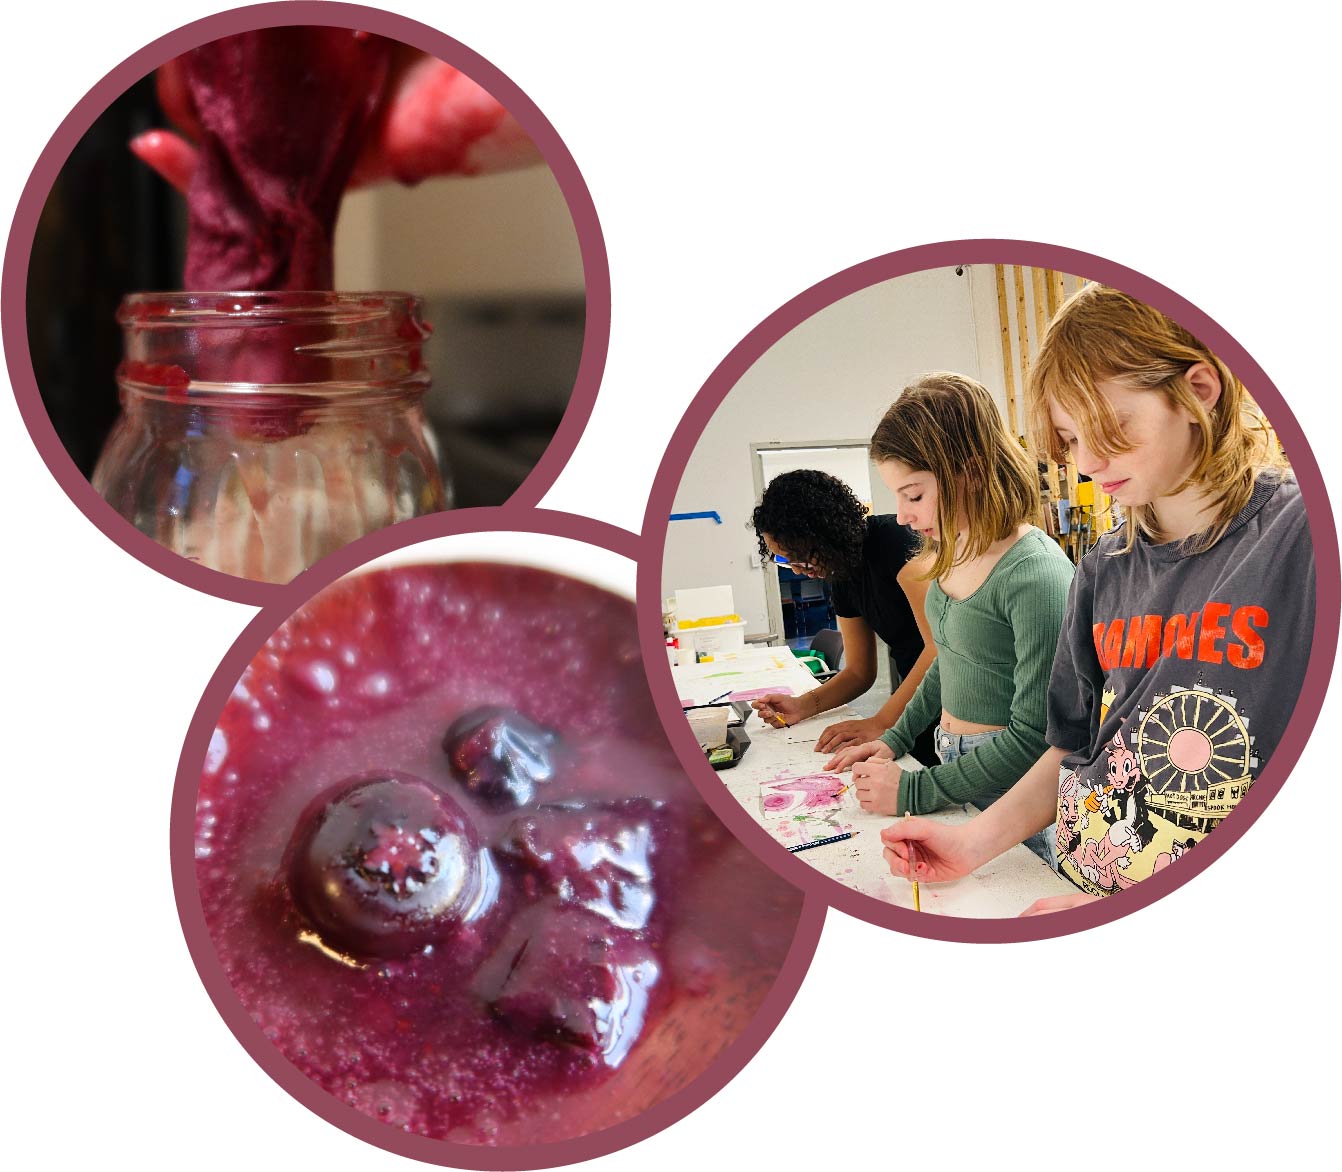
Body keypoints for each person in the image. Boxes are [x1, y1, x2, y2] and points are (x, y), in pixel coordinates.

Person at [880, 284, 1313, 914]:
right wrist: (971, 843)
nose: (1089, 463)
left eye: (1111, 428)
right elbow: (1069, 746)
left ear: (1198, 390)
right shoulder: (1104, 566)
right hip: (1072, 877)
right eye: (1070, 440)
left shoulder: (1298, 536)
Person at [823, 373, 1074, 863]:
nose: (901, 516)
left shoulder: (1035, 575)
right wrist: (892, 740)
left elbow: (1034, 739)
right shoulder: (952, 553)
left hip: (1016, 787)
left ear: (971, 472)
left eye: (913, 495)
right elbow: (951, 658)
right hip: (957, 764)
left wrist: (916, 791)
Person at [748, 469, 938, 764]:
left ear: (823, 534)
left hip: (958, 697)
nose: (797, 569)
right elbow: (860, 672)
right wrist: (801, 706)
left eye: (798, 554)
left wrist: (881, 721)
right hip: (914, 701)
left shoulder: (895, 542)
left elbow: (940, 647)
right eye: (785, 561)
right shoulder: (842, 574)